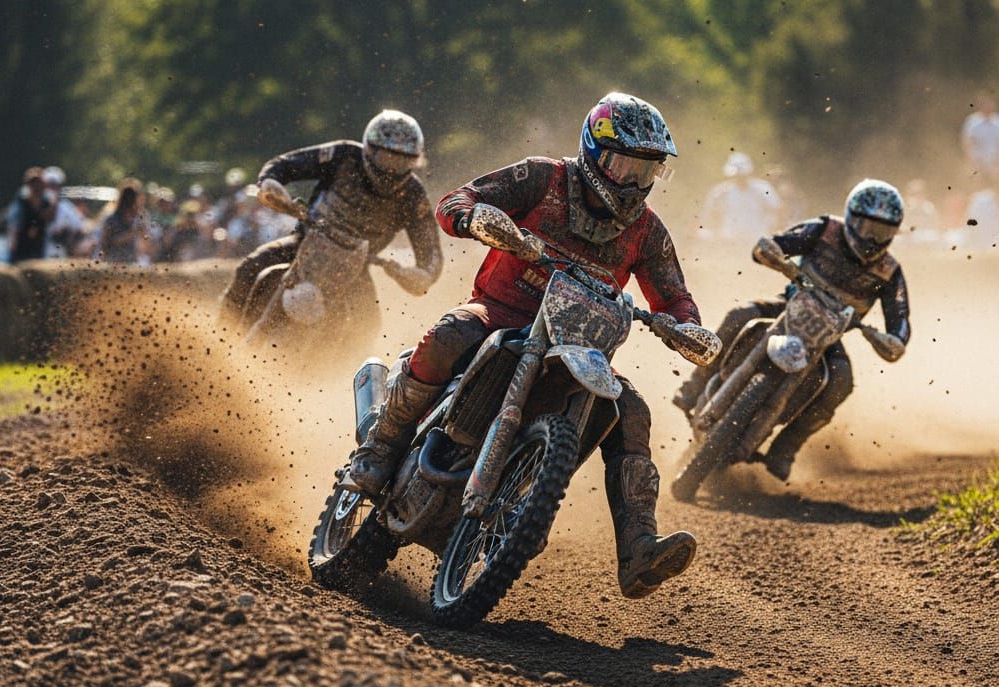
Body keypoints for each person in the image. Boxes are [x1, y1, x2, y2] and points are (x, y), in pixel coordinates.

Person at [350, 92, 712, 599]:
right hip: (499, 312)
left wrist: (688, 328)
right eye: (621, 165)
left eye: (644, 170)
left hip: (577, 349)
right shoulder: (543, 178)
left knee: (632, 410)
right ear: (592, 152)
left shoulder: (648, 233)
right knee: (448, 335)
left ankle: (638, 548)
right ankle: (381, 446)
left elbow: (674, 297)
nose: (631, 182)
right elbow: (456, 200)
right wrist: (477, 220)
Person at [675, 179, 911, 481]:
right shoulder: (824, 229)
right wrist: (773, 252)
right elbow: (779, 242)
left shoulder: (889, 271)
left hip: (828, 338)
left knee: (841, 382)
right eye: (866, 227)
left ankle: (785, 448)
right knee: (739, 315)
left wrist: (894, 340)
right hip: (788, 307)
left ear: (895, 232)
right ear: (851, 218)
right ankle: (695, 384)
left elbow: (900, 319)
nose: (871, 238)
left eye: (882, 232)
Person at [219, 110, 443, 325]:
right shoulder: (343, 155)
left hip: (358, 266)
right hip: (306, 242)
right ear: (369, 149)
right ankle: (224, 333)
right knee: (250, 268)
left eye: (402, 162)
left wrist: (423, 275)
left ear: (414, 161)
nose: (392, 170)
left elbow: (431, 249)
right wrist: (271, 182)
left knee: (368, 327)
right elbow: (284, 165)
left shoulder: (413, 195)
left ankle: (341, 365)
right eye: (387, 159)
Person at [698, 152, 783, 240]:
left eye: (742, 175)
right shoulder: (720, 192)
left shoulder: (762, 188)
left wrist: (774, 228)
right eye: (737, 175)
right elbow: (710, 214)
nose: (739, 178)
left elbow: (778, 209)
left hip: (757, 239)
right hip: (729, 239)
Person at [98, 178, 150, 264]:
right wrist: (133, 233)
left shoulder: (138, 218)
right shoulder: (112, 220)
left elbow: (146, 245)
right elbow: (108, 242)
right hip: (113, 262)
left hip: (132, 262)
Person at [7, 167, 53, 264]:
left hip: (39, 250)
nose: (36, 187)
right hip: (21, 250)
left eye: (39, 184)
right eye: (33, 184)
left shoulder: (48, 204)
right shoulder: (20, 204)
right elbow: (13, 228)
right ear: (28, 186)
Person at [43, 166, 88, 257]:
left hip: (59, 252)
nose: (51, 188)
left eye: (54, 184)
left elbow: (80, 228)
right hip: (37, 251)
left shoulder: (65, 206)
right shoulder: (34, 204)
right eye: (49, 184)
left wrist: (68, 236)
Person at [960, 91, 999, 184]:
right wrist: (970, 159)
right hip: (976, 162)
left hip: (994, 162)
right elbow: (966, 141)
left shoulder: (997, 121)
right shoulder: (972, 121)